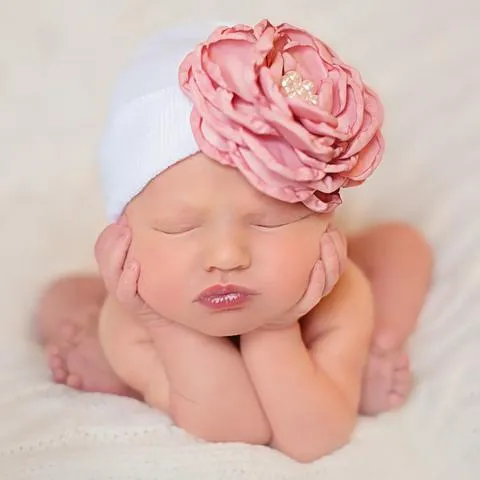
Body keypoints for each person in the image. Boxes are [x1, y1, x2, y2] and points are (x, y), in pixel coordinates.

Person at [34, 20, 433, 463]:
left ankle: (377, 348)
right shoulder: (135, 317)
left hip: (304, 301)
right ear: (124, 232)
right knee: (63, 298)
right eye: (179, 227)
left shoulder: (339, 296)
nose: (227, 255)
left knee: (402, 246)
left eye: (269, 222)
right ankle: (108, 360)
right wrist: (164, 324)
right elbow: (237, 428)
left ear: (324, 223)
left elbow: (314, 439)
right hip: (165, 326)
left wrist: (281, 325)